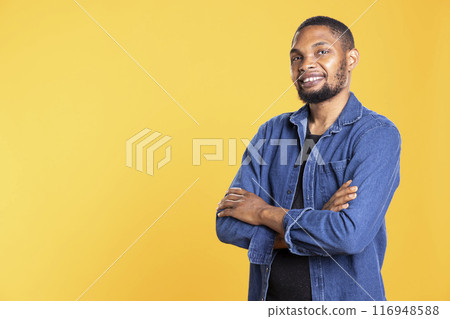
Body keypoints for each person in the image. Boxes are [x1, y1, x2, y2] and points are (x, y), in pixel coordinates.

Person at [215, 16, 401, 301]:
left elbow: (350, 235)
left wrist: (265, 213)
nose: (305, 64)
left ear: (351, 59)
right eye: (296, 57)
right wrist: (319, 221)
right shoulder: (271, 133)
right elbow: (227, 225)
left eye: (321, 51)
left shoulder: (376, 135)